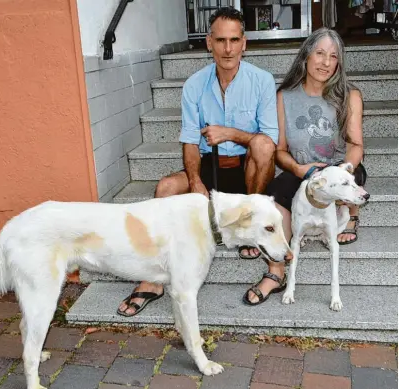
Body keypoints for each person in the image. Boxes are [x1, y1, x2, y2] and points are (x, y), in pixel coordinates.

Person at [117, 6, 279, 317]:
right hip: (212, 167)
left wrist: (230, 133)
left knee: (261, 144)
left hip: (251, 171)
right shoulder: (194, 85)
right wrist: (195, 181)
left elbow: (269, 141)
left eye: (234, 40)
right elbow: (190, 142)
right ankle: (153, 278)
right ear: (209, 43)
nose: (227, 49)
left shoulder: (262, 80)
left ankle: (249, 223)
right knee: (165, 188)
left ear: (244, 43)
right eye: (220, 40)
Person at [243, 27, 367, 306]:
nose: (325, 62)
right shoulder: (285, 96)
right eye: (320, 53)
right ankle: (278, 268)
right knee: (274, 197)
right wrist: (300, 170)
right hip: (302, 171)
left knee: (353, 177)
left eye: (333, 56)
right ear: (305, 57)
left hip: (338, 169)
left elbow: (356, 145)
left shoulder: (350, 95)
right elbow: (280, 151)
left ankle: (350, 212)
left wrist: (341, 171)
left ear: (339, 62)